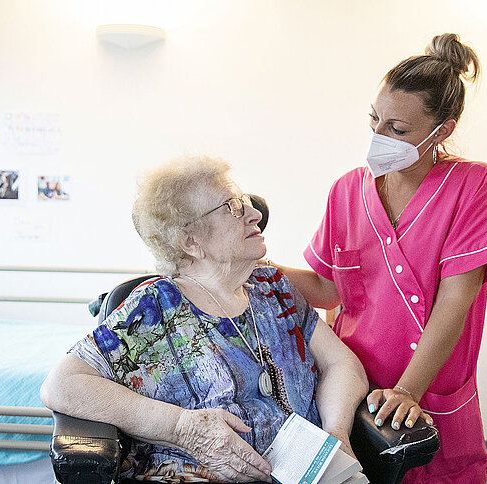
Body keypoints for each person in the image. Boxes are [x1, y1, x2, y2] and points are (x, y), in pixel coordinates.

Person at [270, 33, 487, 482]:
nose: (379, 137)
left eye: (397, 129)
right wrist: (263, 270)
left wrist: (408, 390)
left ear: (443, 129)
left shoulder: (474, 187)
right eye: (374, 121)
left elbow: (455, 301)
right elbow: (329, 291)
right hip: (351, 389)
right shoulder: (347, 190)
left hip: (429, 391)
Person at [40, 154, 368, 483]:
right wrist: (182, 428)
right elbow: (62, 385)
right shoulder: (155, 309)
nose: (255, 214)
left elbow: (342, 364)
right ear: (191, 242)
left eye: (247, 202)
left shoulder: (273, 288)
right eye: (233, 207)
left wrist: (336, 433)